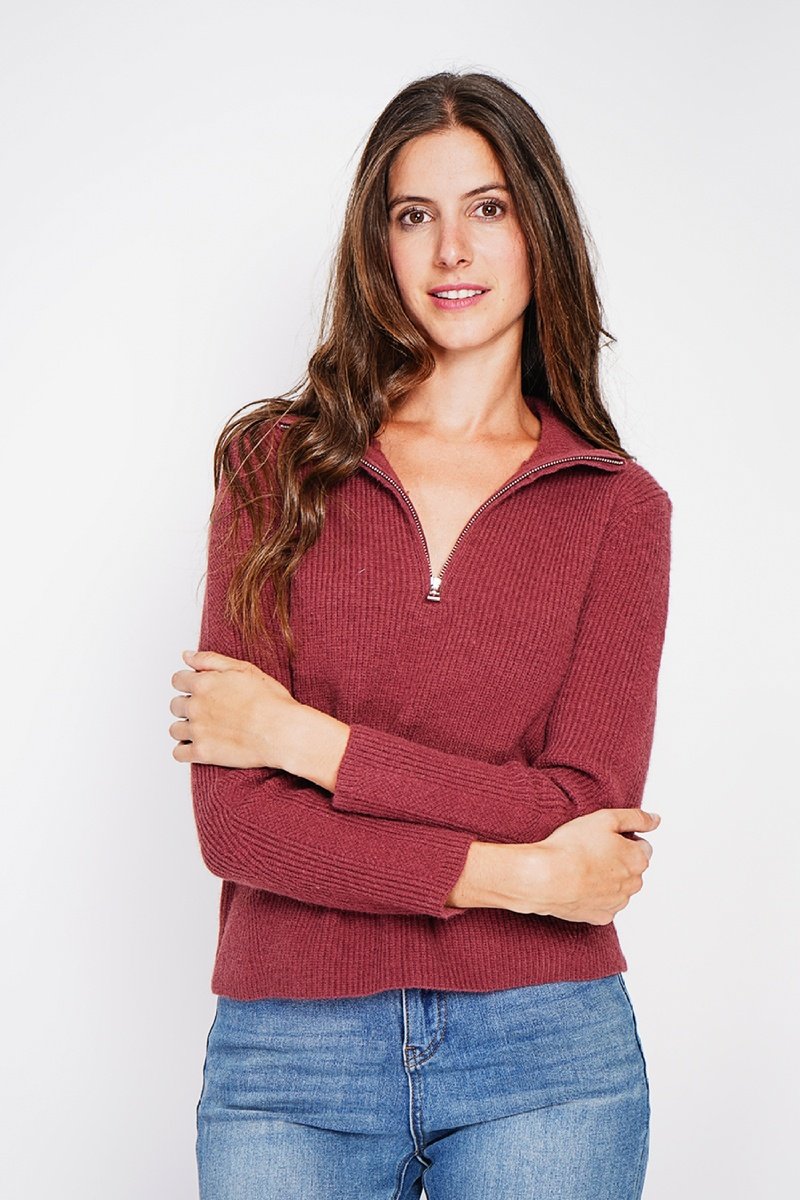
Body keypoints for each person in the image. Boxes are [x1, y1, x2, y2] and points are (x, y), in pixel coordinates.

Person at [169, 69, 672, 1200]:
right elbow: (237, 827)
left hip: (545, 1051)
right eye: (414, 215)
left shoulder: (616, 508)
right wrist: (519, 877)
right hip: (290, 1056)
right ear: (378, 245)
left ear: (538, 232)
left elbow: (581, 806)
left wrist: (301, 740)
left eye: (487, 208)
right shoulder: (275, 468)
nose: (451, 250)